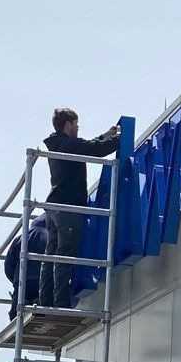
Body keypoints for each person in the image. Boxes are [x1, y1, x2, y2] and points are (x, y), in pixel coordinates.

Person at [40, 107, 120, 308]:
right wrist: (120, 139)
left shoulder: (58, 144)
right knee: (65, 255)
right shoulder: (67, 144)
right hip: (68, 207)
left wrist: (106, 135)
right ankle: (60, 302)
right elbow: (94, 149)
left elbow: (86, 145)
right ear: (68, 124)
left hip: (54, 207)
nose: (78, 127)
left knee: (50, 256)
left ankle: (46, 301)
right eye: (76, 124)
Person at [2, 208, 48, 317]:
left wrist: (15, 279)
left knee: (16, 316)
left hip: (22, 282)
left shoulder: (22, 237)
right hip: (43, 282)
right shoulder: (53, 237)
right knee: (40, 316)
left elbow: (9, 264)